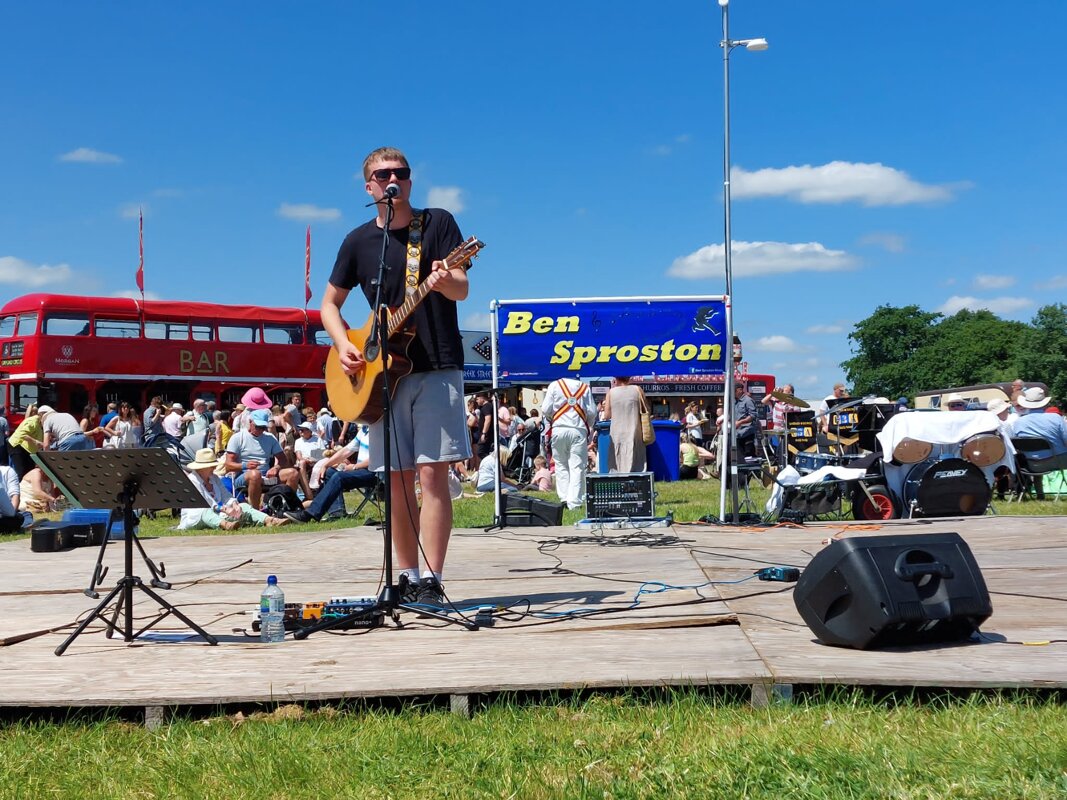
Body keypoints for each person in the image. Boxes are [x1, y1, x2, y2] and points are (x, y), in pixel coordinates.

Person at [320, 145, 471, 607]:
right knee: (398, 480)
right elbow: (329, 304)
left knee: (432, 476)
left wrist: (446, 279)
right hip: (382, 375)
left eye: (401, 173)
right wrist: (344, 343)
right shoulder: (358, 242)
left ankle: (433, 577)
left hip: (436, 364)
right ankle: (404, 576)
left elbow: (463, 287)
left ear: (410, 181)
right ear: (369, 186)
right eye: (383, 174)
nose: (394, 180)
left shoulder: (439, 223)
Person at [178, 448, 287, 530]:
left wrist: (234, 504)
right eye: (211, 466)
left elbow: (225, 495)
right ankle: (225, 524)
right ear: (201, 468)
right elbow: (206, 502)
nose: (214, 468)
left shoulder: (214, 478)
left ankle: (269, 520)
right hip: (196, 516)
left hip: (218, 512)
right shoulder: (192, 480)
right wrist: (224, 509)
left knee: (243, 506)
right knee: (205, 512)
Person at [224, 408, 300, 510]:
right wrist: (245, 465)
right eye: (258, 426)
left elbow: (283, 459)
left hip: (266, 474)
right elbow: (228, 465)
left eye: (263, 427)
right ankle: (256, 512)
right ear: (250, 422)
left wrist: (276, 468)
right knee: (255, 474)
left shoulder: (269, 437)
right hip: (243, 475)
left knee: (293, 473)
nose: (260, 430)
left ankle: (286, 509)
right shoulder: (238, 437)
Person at [540, 376, 597, 509]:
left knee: (560, 464)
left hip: (559, 429)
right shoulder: (584, 387)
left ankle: (564, 498)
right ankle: (574, 502)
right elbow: (592, 412)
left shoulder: (554, 385)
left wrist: (553, 418)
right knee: (577, 466)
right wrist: (587, 425)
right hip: (578, 430)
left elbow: (545, 409)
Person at [602, 376, 647, 473]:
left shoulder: (611, 392)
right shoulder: (637, 389)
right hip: (635, 430)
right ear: (629, 378)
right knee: (636, 457)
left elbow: (607, 415)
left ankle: (619, 478)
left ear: (615, 379)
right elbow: (646, 409)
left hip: (617, 431)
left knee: (617, 457)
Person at [8, 405, 43, 479]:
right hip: (17, 445)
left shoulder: (39, 423)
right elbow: (23, 435)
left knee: (29, 471)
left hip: (27, 449)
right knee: (20, 472)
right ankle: (16, 489)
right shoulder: (33, 421)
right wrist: (36, 442)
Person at [0, 462, 32, 532]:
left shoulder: (8, 471)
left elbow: (15, 496)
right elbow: (10, 512)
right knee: (23, 516)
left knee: (25, 514)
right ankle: (24, 527)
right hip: (4, 515)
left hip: (6, 512)